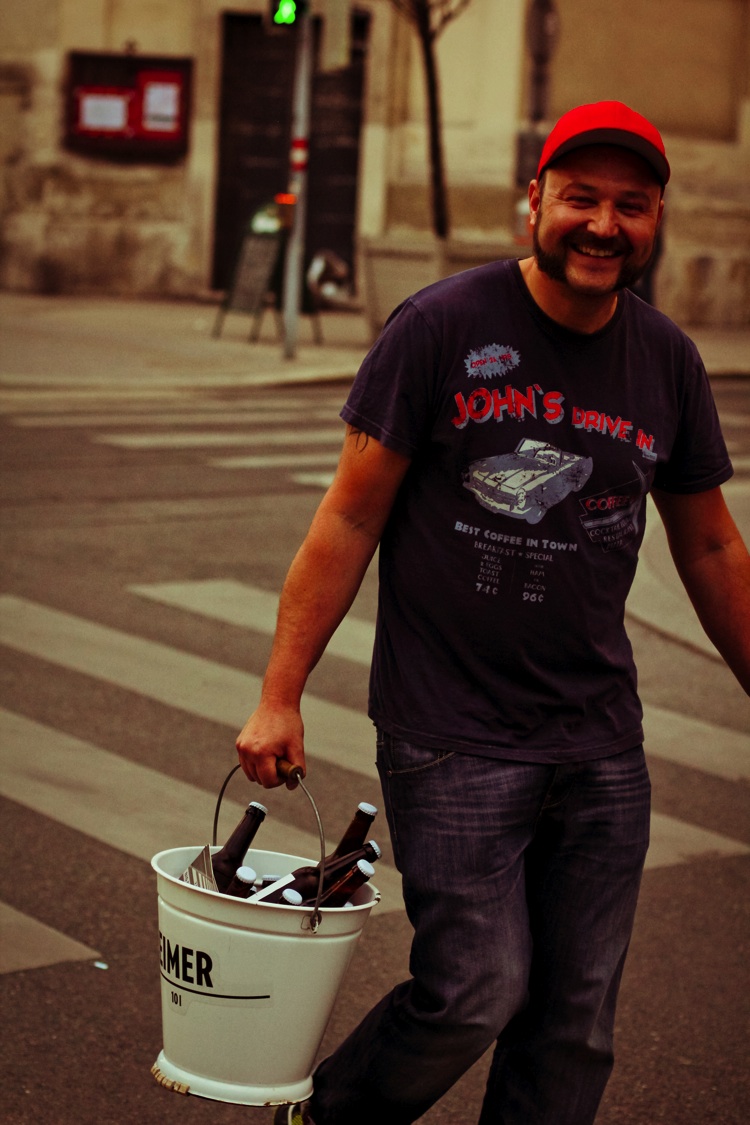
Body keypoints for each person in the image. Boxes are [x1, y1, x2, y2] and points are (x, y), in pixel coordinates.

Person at [236, 101, 750, 1125]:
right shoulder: (439, 326)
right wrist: (278, 694)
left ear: (656, 220)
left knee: (574, 1024)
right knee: (474, 990)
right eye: (581, 199)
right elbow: (348, 517)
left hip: (599, 741)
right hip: (451, 732)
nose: (603, 225)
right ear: (535, 202)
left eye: (631, 206)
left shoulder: (668, 361)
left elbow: (709, 546)